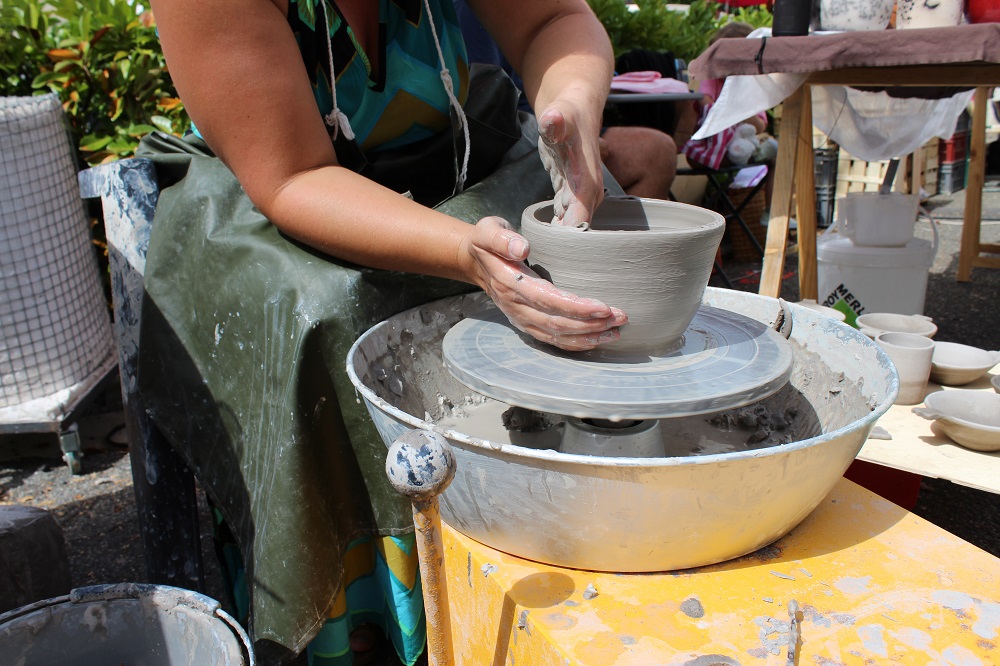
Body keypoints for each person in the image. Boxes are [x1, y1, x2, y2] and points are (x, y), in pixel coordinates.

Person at [141, 0, 625, 664]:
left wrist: (571, 104)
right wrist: (467, 254)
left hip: (443, 156)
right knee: (340, 314)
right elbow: (293, 177)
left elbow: (552, 22)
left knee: (597, 235)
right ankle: (379, 622)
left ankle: (586, 522)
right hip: (281, 191)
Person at [454, 0, 678, 200]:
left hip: (545, 118)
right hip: (498, 143)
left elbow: (558, 23)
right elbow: (484, 113)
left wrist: (580, 118)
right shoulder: (466, 14)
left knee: (657, 152)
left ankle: (625, 240)